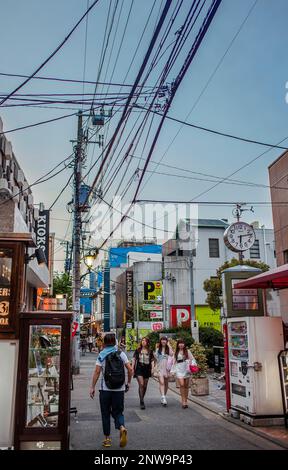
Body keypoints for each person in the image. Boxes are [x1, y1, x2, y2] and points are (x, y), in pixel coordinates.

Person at [90, 333, 132, 448]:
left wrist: (92, 387)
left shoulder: (101, 355)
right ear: (115, 341)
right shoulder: (121, 354)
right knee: (118, 412)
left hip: (105, 390)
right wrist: (128, 383)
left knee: (105, 413)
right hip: (119, 389)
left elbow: (97, 372)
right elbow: (130, 369)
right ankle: (121, 427)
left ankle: (107, 439)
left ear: (104, 342)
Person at [132, 337, 155, 410]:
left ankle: (142, 398)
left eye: (145, 341)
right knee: (141, 384)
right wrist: (132, 368)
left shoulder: (150, 351)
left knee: (144, 386)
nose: (143, 342)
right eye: (142, 341)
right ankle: (141, 401)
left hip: (147, 369)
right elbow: (134, 359)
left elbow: (152, 360)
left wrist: (153, 368)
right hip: (139, 368)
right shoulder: (138, 350)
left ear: (147, 342)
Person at [173, 339, 195, 409]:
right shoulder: (176, 352)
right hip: (179, 369)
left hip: (186, 368)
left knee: (186, 386)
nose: (181, 344)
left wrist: (191, 365)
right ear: (178, 344)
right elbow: (174, 362)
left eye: (182, 343)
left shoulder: (187, 351)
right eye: (179, 343)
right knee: (182, 384)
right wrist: (173, 371)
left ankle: (186, 400)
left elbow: (192, 359)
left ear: (184, 344)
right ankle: (183, 400)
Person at [154, 336, 174, 406]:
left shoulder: (168, 349)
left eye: (165, 340)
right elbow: (156, 359)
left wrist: (169, 345)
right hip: (160, 368)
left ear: (166, 341)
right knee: (161, 382)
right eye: (162, 340)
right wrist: (154, 368)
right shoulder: (157, 349)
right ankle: (163, 397)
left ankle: (163, 396)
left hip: (167, 368)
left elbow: (172, 354)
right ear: (160, 341)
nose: (163, 341)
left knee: (166, 383)